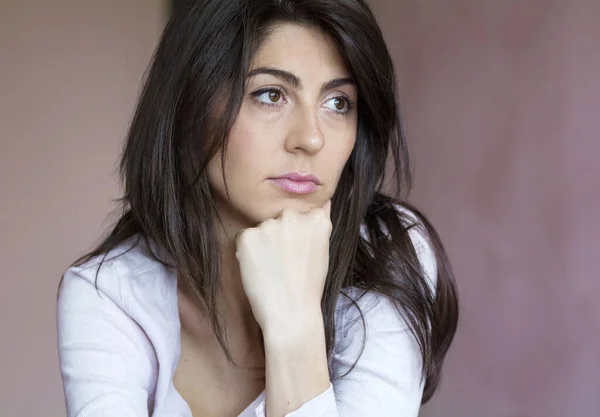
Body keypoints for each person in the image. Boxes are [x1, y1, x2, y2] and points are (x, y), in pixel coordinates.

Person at [56, 1, 459, 416]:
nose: (311, 138)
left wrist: (295, 327)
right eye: (270, 95)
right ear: (189, 105)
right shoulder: (111, 294)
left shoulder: (387, 255)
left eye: (338, 102)